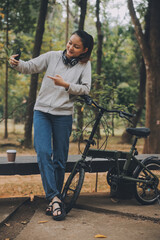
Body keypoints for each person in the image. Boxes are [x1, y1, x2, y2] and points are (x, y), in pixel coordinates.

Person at [9, 30, 94, 221]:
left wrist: (66, 85)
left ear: (84, 50)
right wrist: (16, 63)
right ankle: (55, 198)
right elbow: (30, 66)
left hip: (63, 116)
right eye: (70, 43)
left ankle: (54, 200)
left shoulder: (84, 65)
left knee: (60, 159)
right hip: (42, 113)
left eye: (76, 46)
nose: (70, 47)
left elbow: (86, 89)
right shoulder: (52, 56)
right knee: (44, 152)